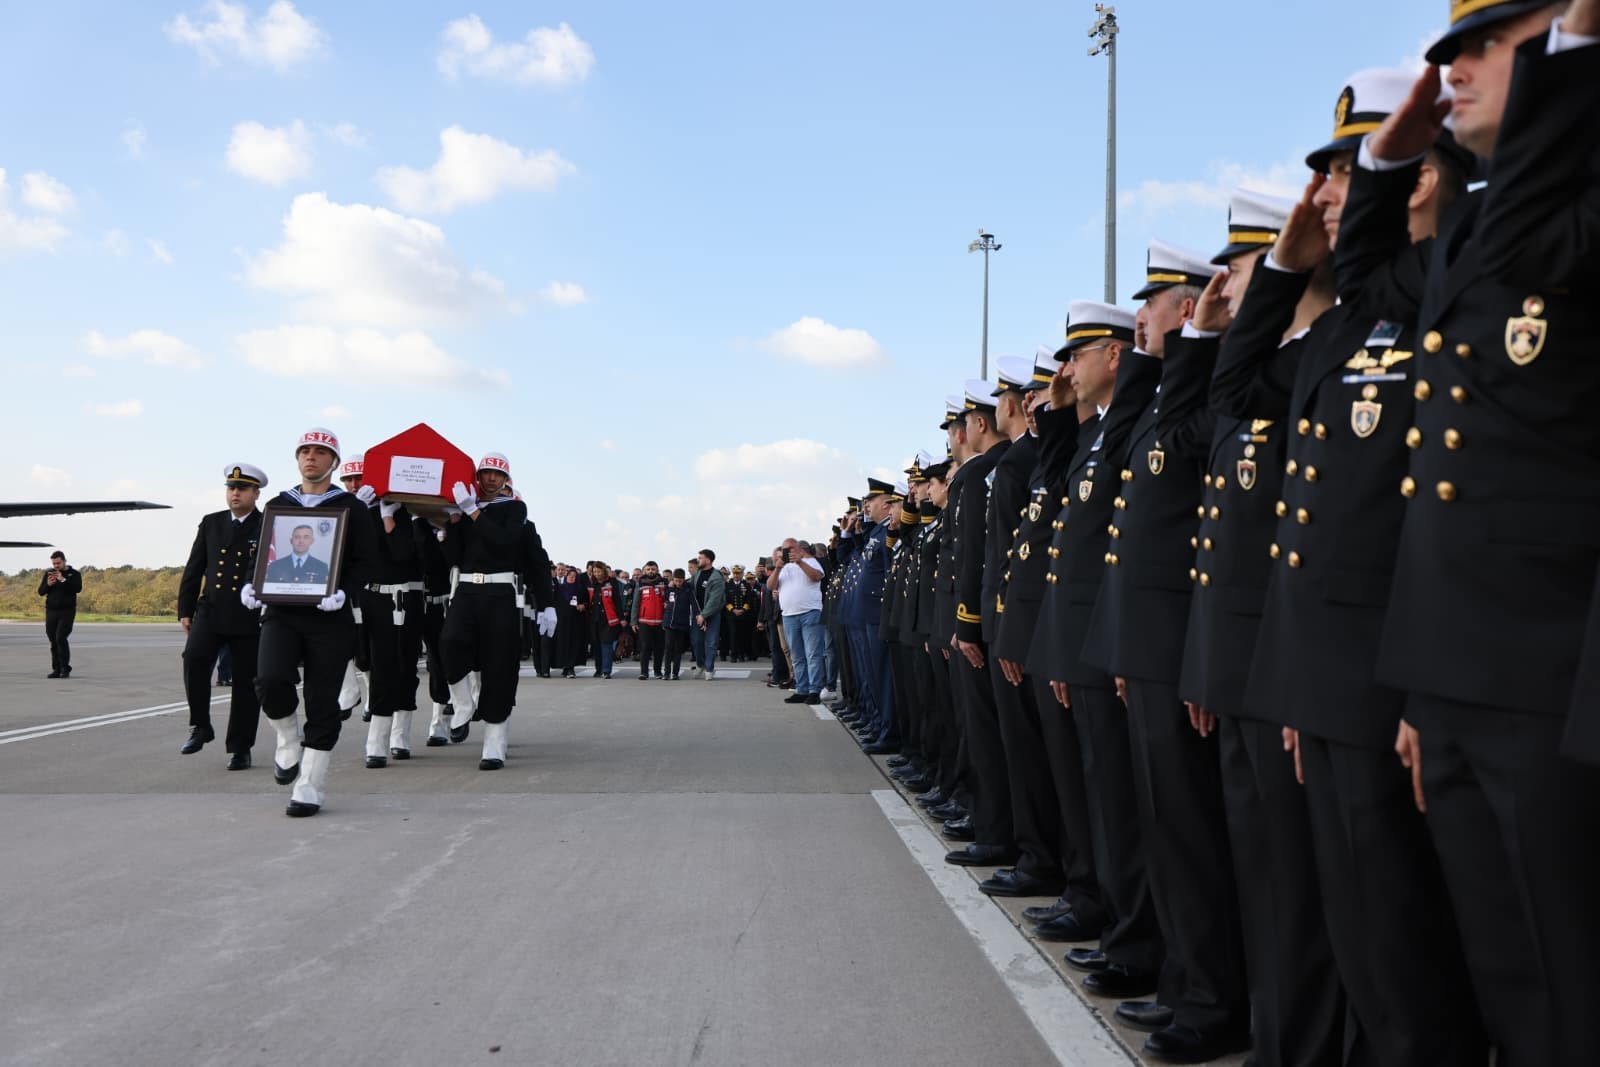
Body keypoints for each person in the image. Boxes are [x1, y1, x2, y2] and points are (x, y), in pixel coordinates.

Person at [1336, 9, 1600, 1060]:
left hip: (1554, 679)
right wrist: (1386, 159)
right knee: (1504, 972)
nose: (1452, 67)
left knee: (1570, 974)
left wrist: (1572, 61)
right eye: (1446, 50)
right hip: (1457, 677)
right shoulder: (1469, 234)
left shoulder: (1559, 208)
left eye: (1489, 40)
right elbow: (1366, 281)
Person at [241, 427, 374, 817]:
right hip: (282, 613)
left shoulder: (352, 507)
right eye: (305, 451)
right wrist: (251, 583)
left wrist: (344, 591)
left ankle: (310, 785)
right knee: (269, 680)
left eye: (320, 451)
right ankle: (287, 737)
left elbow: (367, 561)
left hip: (329, 617)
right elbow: (263, 552)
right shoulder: (279, 504)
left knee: (321, 700)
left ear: (334, 461)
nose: (311, 457)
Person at [438, 452, 541, 769]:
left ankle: (494, 742)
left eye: (498, 474)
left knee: (498, 664)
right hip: (467, 589)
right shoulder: (468, 508)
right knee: (449, 643)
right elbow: (453, 557)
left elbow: (504, 541)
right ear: (477, 476)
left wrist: (471, 512)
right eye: (486, 472)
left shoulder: (514, 508)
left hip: (499, 592)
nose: (491, 478)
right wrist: (452, 525)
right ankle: (462, 703)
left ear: (506, 480)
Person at [176, 462, 268, 769]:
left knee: (245, 683)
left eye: (242, 488)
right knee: (194, 658)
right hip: (211, 609)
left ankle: (241, 747)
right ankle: (200, 725)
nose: (235, 493)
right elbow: (195, 567)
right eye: (231, 488)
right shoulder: (211, 522)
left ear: (256, 493)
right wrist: (185, 609)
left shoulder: (267, 524)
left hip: (248, 614)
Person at [769, 538, 826, 704]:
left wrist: (800, 562)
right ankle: (802, 689)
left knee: (813, 654)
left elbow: (817, 577)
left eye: (791, 548)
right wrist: (777, 568)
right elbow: (771, 586)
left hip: (810, 613)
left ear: (799, 548)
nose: (789, 552)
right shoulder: (783, 567)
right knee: (797, 655)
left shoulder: (811, 561)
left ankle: (814, 690)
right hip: (789, 615)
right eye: (785, 549)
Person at [37, 550, 81, 679]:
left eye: (58, 563)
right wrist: (48, 584)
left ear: (64, 561)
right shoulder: (49, 574)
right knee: (53, 640)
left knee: (60, 638)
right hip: (51, 611)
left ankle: (65, 668)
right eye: (54, 563)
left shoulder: (74, 574)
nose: (56, 566)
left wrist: (63, 580)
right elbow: (41, 592)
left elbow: (77, 589)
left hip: (67, 611)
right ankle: (56, 669)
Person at [690, 548, 725, 679]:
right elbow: (690, 587)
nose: (698, 560)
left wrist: (704, 615)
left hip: (712, 614)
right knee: (696, 641)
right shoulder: (697, 574)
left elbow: (715, 600)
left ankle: (709, 669)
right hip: (697, 613)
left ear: (708, 560)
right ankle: (700, 665)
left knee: (711, 642)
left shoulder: (717, 577)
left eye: (700, 558)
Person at [586, 561, 626, 678]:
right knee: (597, 645)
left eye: (599, 571)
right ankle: (598, 669)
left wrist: (621, 618)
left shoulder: (612, 582)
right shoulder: (591, 583)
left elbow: (617, 601)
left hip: (608, 619)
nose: (597, 574)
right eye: (594, 572)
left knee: (606, 644)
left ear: (604, 571)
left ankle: (606, 670)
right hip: (594, 619)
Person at [630, 561, 668, 679]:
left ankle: (657, 672)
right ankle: (644, 672)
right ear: (644, 571)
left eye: (653, 569)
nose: (651, 571)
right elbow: (636, 603)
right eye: (648, 569)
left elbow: (669, 599)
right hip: (644, 621)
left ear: (657, 570)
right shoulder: (640, 583)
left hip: (661, 622)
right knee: (645, 647)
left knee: (659, 648)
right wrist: (633, 621)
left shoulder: (664, 583)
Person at [263, 525, 331, 585]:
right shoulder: (275, 565)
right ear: (291, 540)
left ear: (312, 541)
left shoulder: (322, 567)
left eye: (306, 537)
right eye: (297, 537)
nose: (301, 541)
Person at [663, 568, 694, 679]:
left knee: (678, 649)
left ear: (684, 579)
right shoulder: (670, 589)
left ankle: (675, 673)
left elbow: (693, 604)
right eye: (676, 580)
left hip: (682, 623)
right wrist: (670, 588)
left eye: (680, 581)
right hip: (669, 623)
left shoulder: (688, 590)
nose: (678, 583)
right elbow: (664, 600)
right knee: (668, 648)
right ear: (673, 579)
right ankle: (666, 673)